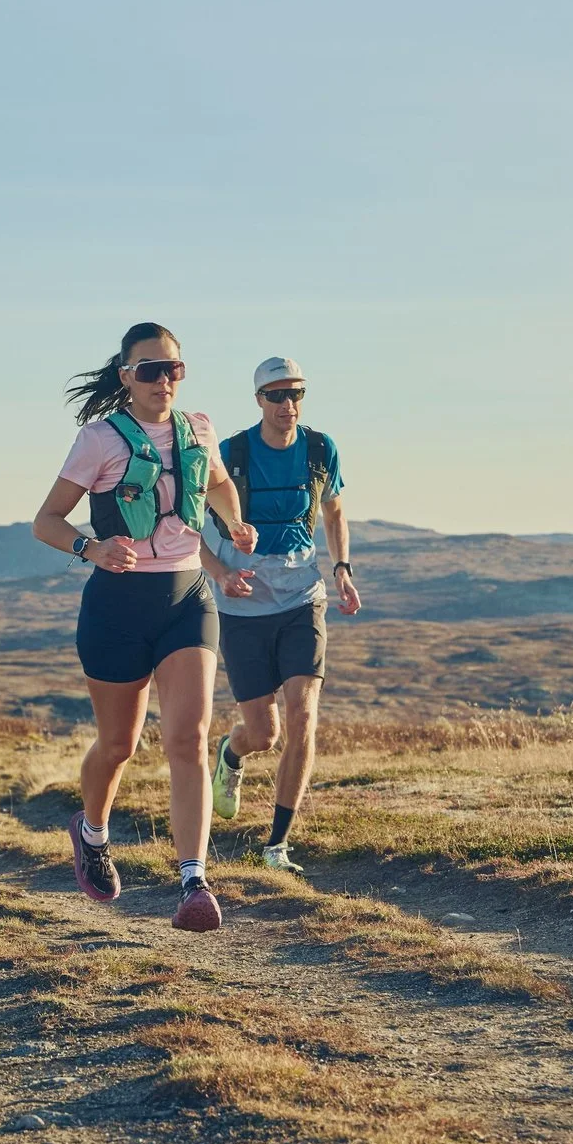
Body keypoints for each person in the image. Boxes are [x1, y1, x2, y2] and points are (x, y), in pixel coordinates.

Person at [31, 324, 258, 932]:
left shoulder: (199, 430)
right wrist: (90, 548)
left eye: (174, 370)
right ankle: (93, 832)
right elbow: (46, 521)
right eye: (152, 370)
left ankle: (194, 881)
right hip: (116, 606)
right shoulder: (98, 440)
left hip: (186, 596)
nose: (165, 381)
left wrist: (233, 523)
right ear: (126, 375)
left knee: (188, 735)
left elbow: (218, 484)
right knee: (119, 746)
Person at [202, 358, 359, 872]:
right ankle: (231, 751)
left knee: (304, 714)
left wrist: (341, 568)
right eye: (276, 395)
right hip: (243, 602)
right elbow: (188, 524)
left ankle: (277, 845)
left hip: (301, 597)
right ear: (258, 401)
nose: (287, 404)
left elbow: (334, 512)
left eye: (295, 393)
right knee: (264, 734)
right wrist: (220, 574)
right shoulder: (233, 455)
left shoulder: (320, 450)